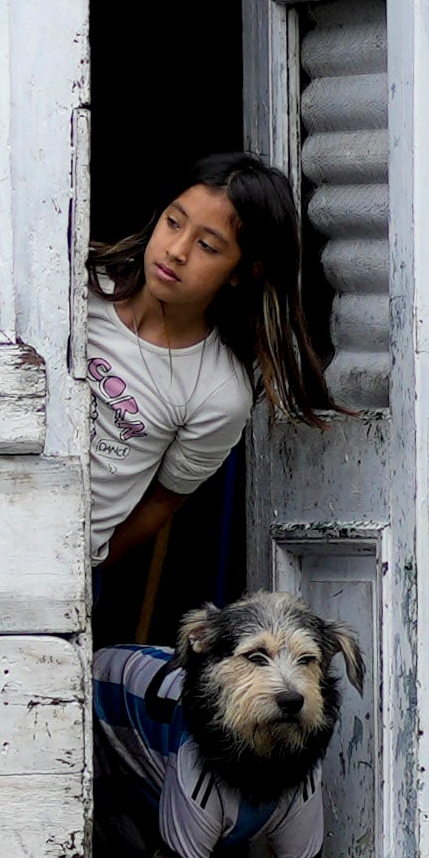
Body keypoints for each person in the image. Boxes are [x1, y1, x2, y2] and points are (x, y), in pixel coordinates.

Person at [81, 155, 331, 633]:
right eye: (174, 222)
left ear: (242, 270)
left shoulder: (218, 393)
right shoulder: (78, 289)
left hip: (64, 568)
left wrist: (87, 556)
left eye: (208, 247)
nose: (176, 250)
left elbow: (162, 501)